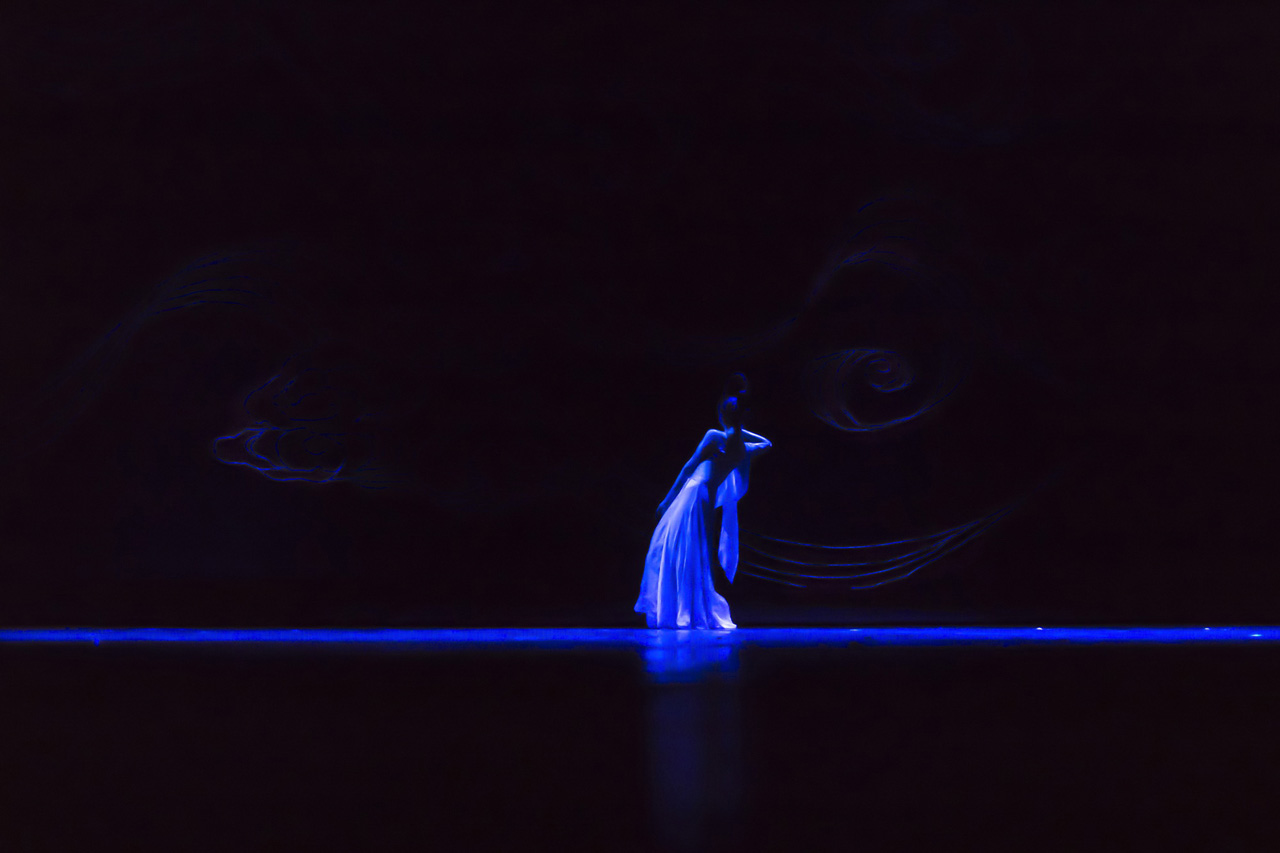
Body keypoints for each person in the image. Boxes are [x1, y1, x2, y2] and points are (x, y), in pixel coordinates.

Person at [635, 375, 772, 629]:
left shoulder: (715, 436)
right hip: (703, 499)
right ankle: (685, 606)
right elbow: (767, 443)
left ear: (723, 414)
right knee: (694, 548)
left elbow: (688, 468)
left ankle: (678, 606)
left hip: (694, 494)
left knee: (677, 545)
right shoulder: (742, 449)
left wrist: (666, 500)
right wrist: (740, 426)